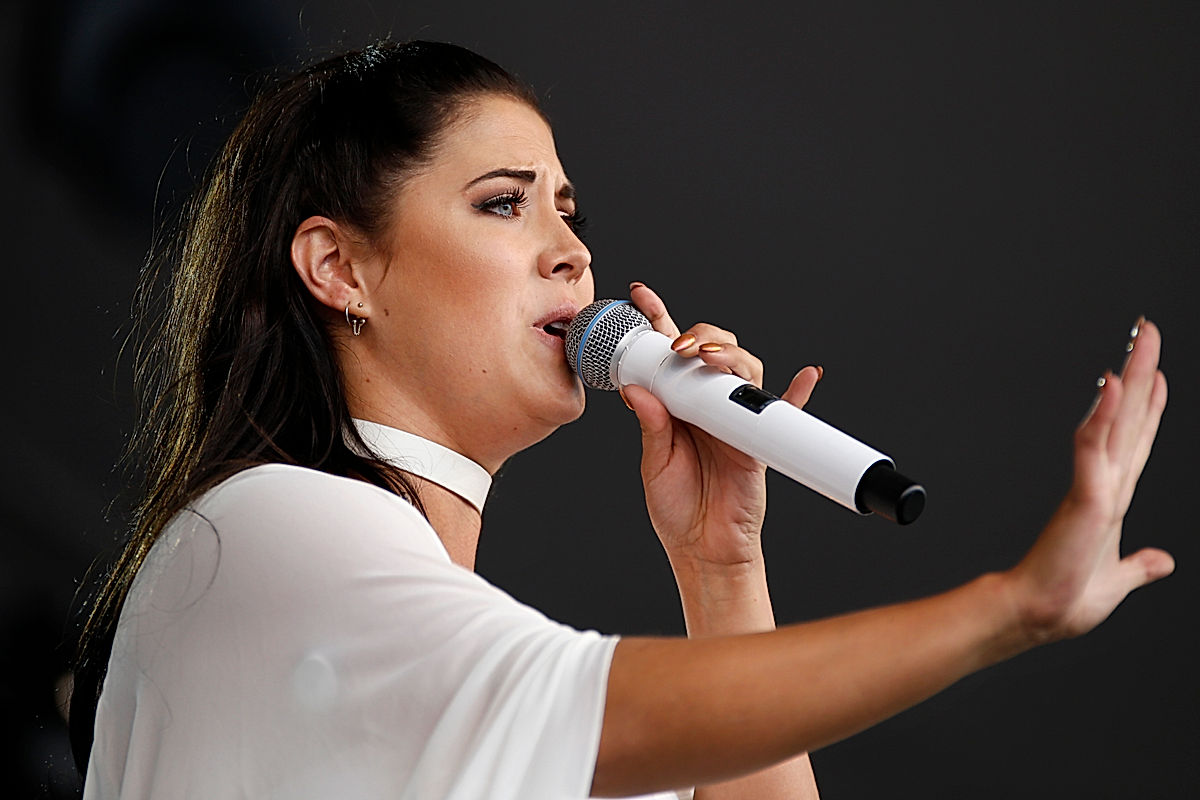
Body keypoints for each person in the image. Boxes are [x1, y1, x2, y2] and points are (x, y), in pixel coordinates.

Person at [69, 40, 1172, 799]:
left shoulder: (440, 645)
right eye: (504, 202)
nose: (573, 250)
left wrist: (721, 567)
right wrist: (1010, 607)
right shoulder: (266, 524)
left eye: (570, 211)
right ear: (338, 266)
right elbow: (613, 708)